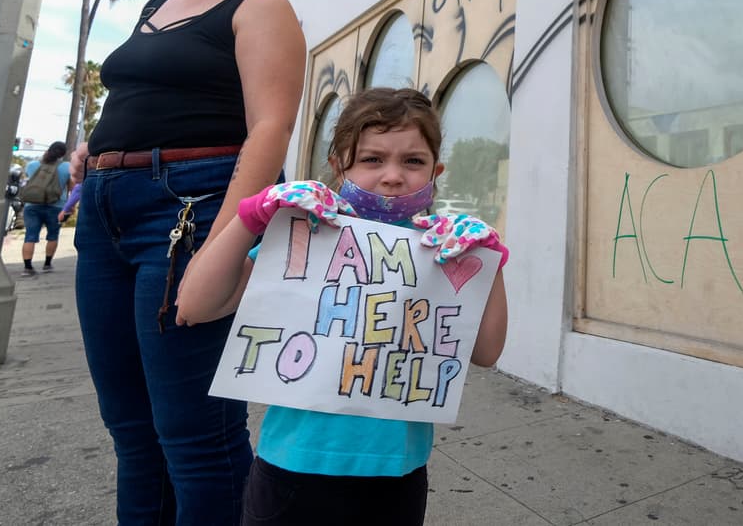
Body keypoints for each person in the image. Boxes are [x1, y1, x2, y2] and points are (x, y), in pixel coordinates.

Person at [71, 0, 306, 526]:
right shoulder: (154, 6)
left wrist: (224, 246)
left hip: (190, 210)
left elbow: (270, 129)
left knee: (196, 436)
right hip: (106, 213)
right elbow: (145, 91)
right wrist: (100, 142)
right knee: (131, 430)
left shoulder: (260, 5)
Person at [176, 87, 509, 526]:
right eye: (372, 159)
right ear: (339, 166)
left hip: (397, 477)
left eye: (413, 161)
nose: (393, 175)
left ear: (435, 171)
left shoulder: (443, 251)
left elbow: (486, 352)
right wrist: (252, 217)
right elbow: (195, 305)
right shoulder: (307, 235)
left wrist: (490, 262)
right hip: (291, 469)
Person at [19, 141, 70, 274]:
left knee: (30, 236)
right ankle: (47, 264)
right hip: (57, 205)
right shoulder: (66, 167)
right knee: (53, 235)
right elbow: (71, 188)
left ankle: (27, 267)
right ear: (63, 154)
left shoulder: (32, 165)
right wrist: (70, 207)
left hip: (32, 205)